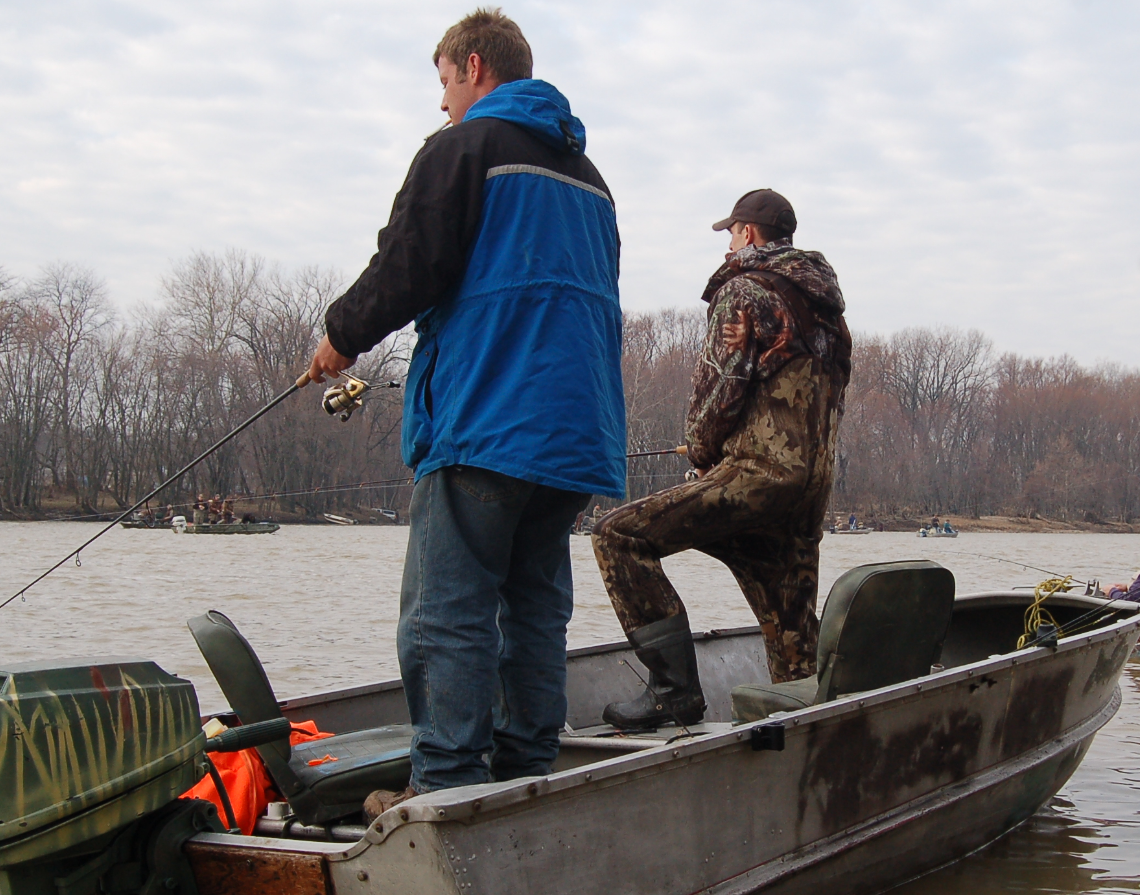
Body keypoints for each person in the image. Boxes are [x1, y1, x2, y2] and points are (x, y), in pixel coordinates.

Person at [307, 10, 625, 807]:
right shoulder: (591, 179)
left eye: (444, 82)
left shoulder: (463, 149)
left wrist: (340, 335)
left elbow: (411, 262)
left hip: (487, 422)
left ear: (473, 67)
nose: (442, 102)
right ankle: (526, 776)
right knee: (535, 610)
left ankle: (445, 788)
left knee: (445, 616)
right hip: (575, 438)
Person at [593, 188, 850, 728]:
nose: (727, 245)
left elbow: (721, 388)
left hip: (757, 476)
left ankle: (673, 690)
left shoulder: (744, 292)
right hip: (807, 491)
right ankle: (814, 730)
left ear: (749, 234)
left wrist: (704, 449)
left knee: (618, 536)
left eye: (730, 233)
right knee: (793, 636)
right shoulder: (828, 313)